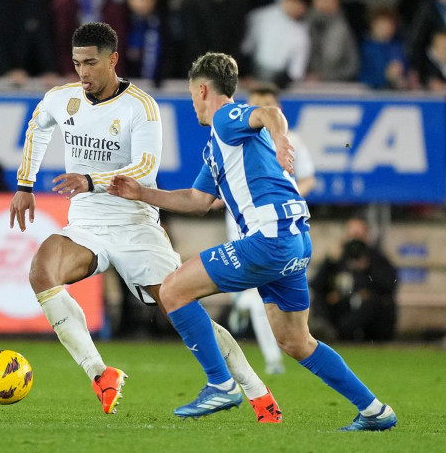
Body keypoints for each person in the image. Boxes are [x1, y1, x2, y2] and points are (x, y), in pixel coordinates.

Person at [107, 52, 396, 431]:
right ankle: (375, 411)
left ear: (203, 89)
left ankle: (221, 384)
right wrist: (141, 193)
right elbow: (196, 201)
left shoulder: (228, 118)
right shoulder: (218, 146)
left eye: (193, 94)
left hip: (268, 239)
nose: (193, 102)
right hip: (294, 242)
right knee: (296, 341)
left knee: (173, 290)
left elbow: (270, 112)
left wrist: (280, 141)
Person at [10, 23, 282, 423]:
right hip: (86, 223)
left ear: (112, 60)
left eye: (90, 63)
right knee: (41, 271)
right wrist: (25, 184)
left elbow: (146, 167)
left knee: (183, 310)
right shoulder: (61, 99)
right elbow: (37, 128)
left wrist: (91, 180)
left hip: (135, 226)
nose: (82, 72)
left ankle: (259, 394)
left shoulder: (141, 106)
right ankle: (100, 375)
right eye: (76, 63)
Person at [220, 82, 316, 376]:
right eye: (254, 103)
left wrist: (284, 201)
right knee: (261, 298)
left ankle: (246, 310)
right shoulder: (235, 137)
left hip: (279, 228)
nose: (257, 110)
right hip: (241, 225)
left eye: (265, 104)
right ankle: (246, 309)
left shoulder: (292, 139)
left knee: (266, 301)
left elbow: (308, 178)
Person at [311, 218, 398, 342]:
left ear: (366, 237)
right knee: (320, 299)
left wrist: (368, 268)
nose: (355, 241)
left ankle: (338, 334)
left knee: (373, 304)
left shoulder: (376, 257)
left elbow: (390, 284)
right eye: (352, 236)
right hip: (342, 306)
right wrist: (329, 262)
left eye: (359, 236)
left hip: (367, 311)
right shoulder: (338, 257)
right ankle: (325, 331)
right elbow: (315, 285)